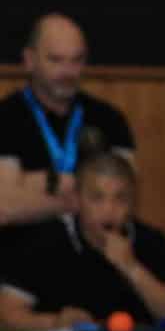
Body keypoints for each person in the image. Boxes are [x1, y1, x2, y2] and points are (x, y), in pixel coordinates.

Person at [0, 152, 165, 330]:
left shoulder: (153, 243)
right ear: (77, 199)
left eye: (120, 198)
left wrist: (131, 267)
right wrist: (55, 322)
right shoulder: (43, 242)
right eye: (97, 198)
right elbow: (7, 315)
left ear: (132, 203)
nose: (109, 210)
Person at [0, 14, 135, 234]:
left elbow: (121, 201)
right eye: (56, 60)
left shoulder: (110, 120)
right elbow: (4, 207)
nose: (68, 72)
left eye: (76, 60)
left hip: (94, 250)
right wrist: (84, 195)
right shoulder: (5, 118)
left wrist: (33, 184)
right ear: (29, 60)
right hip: (22, 250)